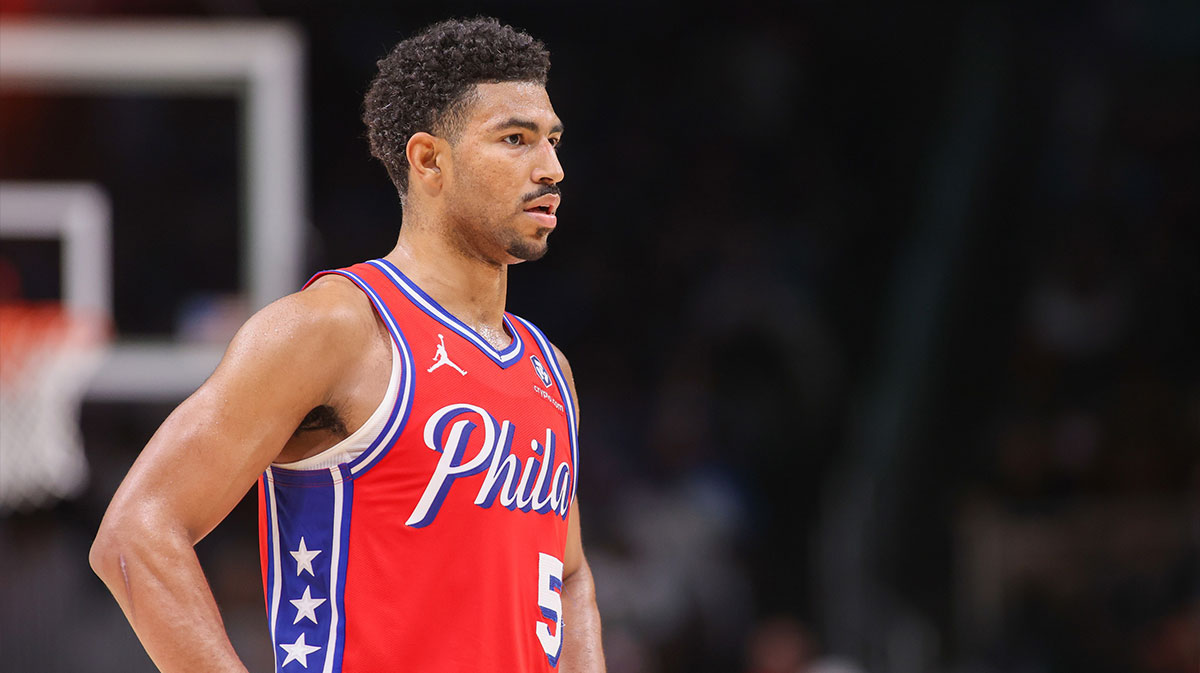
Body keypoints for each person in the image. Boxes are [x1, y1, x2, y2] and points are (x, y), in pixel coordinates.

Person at [90, 17, 605, 672]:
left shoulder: (549, 370)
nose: (552, 168)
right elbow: (135, 533)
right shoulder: (337, 327)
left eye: (553, 141)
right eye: (516, 139)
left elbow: (570, 574)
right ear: (428, 160)